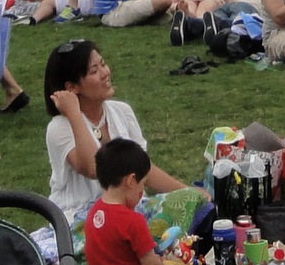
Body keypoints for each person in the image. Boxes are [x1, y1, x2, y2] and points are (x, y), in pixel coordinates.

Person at [41, 38, 190, 222]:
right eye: (94, 71)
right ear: (72, 87)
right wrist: (74, 114)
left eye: (103, 64)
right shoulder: (59, 127)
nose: (105, 73)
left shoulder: (122, 111)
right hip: (83, 217)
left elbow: (142, 168)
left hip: (129, 208)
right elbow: (93, 168)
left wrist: (187, 192)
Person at [82, 139, 215, 265]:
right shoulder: (132, 220)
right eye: (142, 185)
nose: (141, 192)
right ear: (131, 180)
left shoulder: (94, 213)